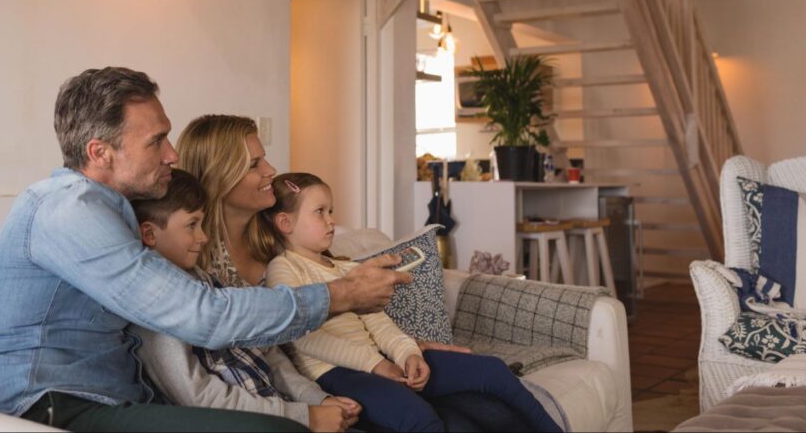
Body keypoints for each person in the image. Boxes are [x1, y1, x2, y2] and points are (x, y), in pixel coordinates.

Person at [0, 68, 409, 432]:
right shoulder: (69, 210)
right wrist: (341, 294)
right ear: (100, 152)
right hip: (41, 407)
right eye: (156, 140)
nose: (172, 154)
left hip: (106, 399)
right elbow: (203, 317)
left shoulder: (119, 214)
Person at [177, 114, 543, 432]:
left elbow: (362, 314)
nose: (269, 171)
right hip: (329, 380)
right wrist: (317, 401)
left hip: (369, 366)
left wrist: (409, 347)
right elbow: (284, 350)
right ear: (220, 175)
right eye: (254, 163)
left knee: (487, 410)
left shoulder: (280, 240)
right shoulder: (200, 264)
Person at [263, 172, 564, 433]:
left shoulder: (344, 268)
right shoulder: (284, 268)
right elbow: (304, 338)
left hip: (381, 358)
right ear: (285, 222)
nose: (331, 220)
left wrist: (407, 354)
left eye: (331, 210)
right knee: (420, 418)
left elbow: (377, 320)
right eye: (320, 212)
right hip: (336, 373)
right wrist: (376, 364)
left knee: (494, 372)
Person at [130, 168, 361, 432]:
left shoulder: (203, 278)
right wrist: (303, 416)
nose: (203, 237)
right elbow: (198, 395)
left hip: (282, 409)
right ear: (149, 234)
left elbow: (266, 351)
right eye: (192, 225)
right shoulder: (152, 304)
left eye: (202, 224)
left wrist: (316, 399)